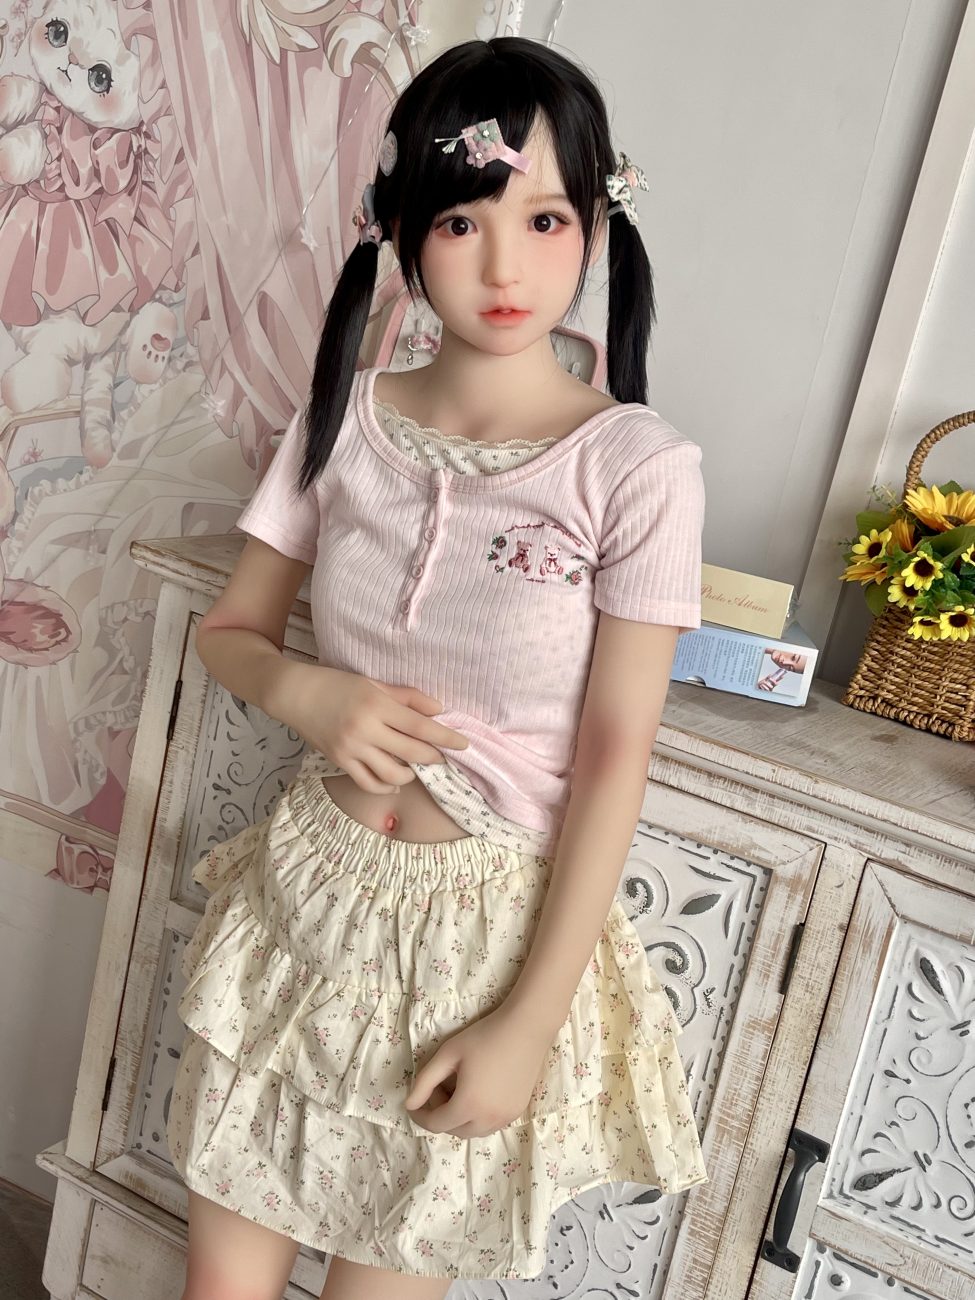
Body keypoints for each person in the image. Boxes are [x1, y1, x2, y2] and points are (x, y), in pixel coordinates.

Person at [165, 35, 709, 1300]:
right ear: (404, 232)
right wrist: (309, 691)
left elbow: (616, 759)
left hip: (483, 950)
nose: (507, 266)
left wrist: (527, 1022)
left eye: (546, 219)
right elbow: (233, 629)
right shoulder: (344, 421)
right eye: (462, 222)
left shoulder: (637, 469)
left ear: (597, 227)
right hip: (305, 909)